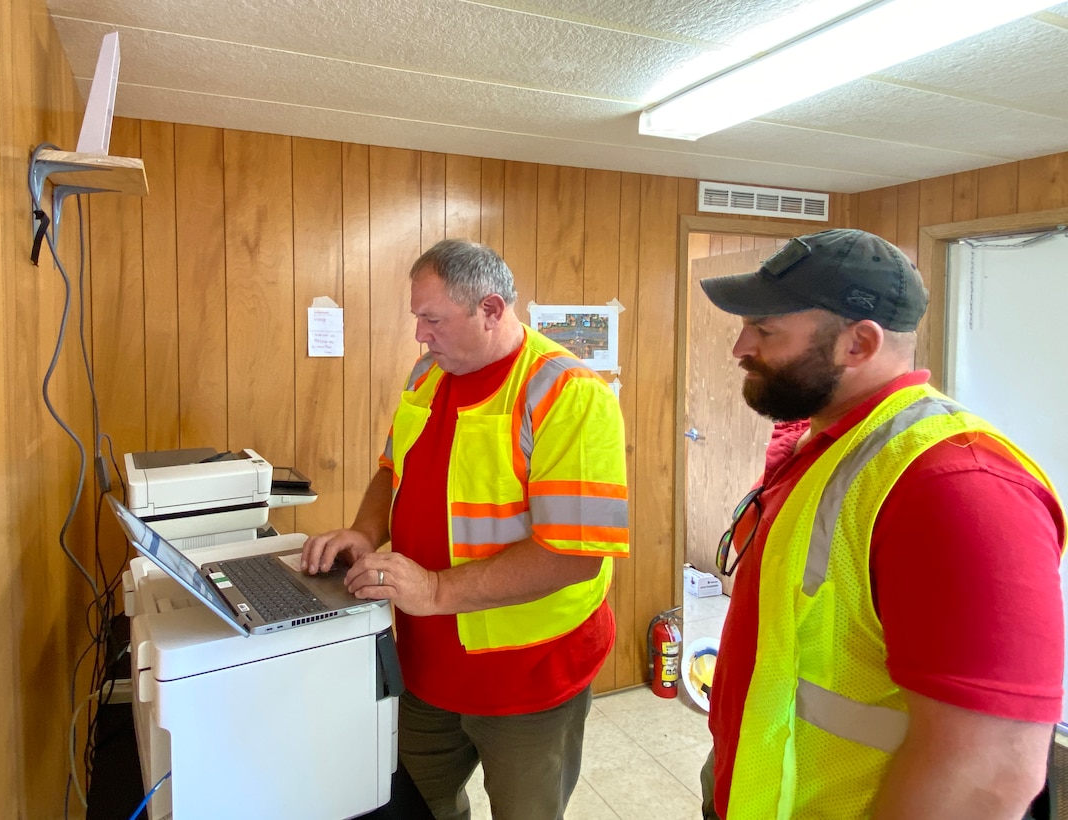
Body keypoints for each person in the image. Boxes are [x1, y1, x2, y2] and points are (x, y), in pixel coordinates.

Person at [696, 228, 1065, 819]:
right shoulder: (832, 443)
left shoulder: (957, 488)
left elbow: (988, 777)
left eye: (765, 330)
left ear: (859, 344)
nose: (740, 346)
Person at [300, 239, 629, 820]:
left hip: (529, 678)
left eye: (433, 320)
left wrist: (434, 592)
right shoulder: (429, 373)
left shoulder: (568, 393)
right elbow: (392, 467)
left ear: (492, 309)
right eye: (417, 319)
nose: (420, 336)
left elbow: (575, 555)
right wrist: (364, 532)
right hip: (426, 667)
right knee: (415, 807)